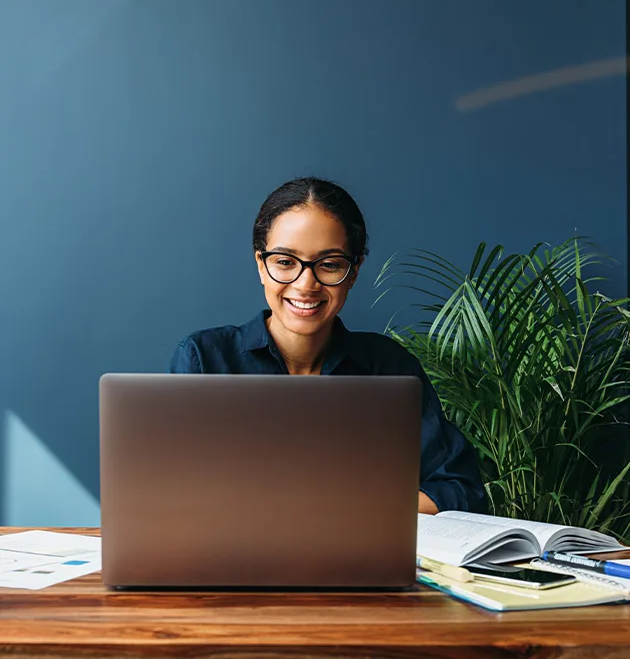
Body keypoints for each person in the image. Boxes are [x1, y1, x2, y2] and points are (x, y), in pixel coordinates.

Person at [170, 177, 487, 514]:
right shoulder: (204, 359)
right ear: (261, 264)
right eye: (285, 262)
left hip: (358, 560)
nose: (306, 284)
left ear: (353, 272)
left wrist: (350, 512)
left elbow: (460, 488)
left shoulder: (389, 368)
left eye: (330, 264)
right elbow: (169, 494)